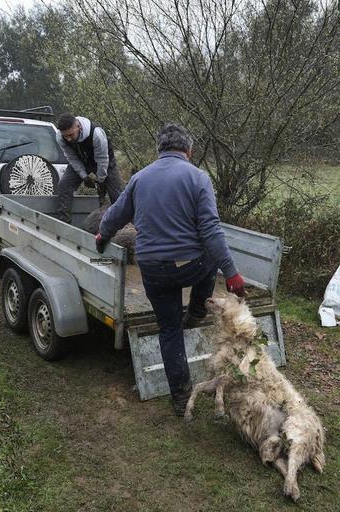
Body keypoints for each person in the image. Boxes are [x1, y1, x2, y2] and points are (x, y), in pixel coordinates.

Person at [96, 123, 246, 416]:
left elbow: (114, 216)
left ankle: (180, 396)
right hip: (190, 267)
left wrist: (103, 234)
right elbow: (211, 231)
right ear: (188, 150)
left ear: (159, 150)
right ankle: (199, 308)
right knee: (210, 258)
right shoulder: (198, 178)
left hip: (152, 268)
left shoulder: (139, 178)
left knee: (169, 329)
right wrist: (231, 272)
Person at [55, 114, 124, 223]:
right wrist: (84, 175)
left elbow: (102, 159)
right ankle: (64, 222)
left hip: (105, 162)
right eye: (65, 136)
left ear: (78, 126)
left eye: (71, 135)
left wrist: (100, 180)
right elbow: (72, 157)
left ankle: (125, 225)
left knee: (117, 194)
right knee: (64, 185)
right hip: (80, 161)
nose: (68, 138)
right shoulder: (60, 137)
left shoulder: (96, 134)